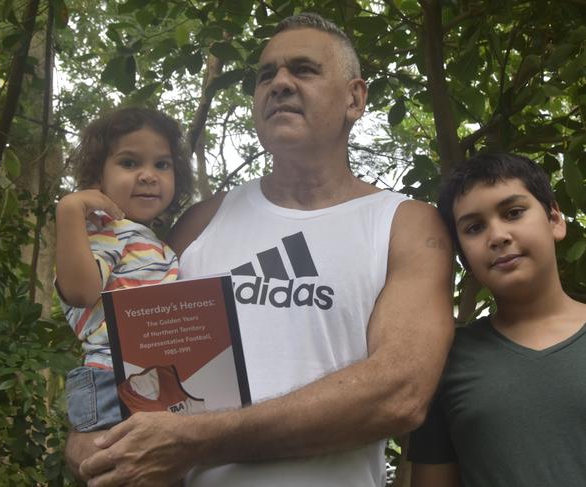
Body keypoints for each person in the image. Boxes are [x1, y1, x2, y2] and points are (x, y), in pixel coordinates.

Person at [69, 13, 454, 487]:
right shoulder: (200, 222)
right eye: (266, 75)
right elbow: (128, 353)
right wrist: (93, 439)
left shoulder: (406, 223)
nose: (280, 83)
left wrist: (200, 439)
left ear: (355, 98)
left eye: (304, 70)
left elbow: (399, 392)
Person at [408, 152, 586, 486]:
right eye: (474, 227)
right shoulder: (445, 360)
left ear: (554, 220)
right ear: (463, 257)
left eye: (514, 212)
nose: (498, 236)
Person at [55, 107, 193, 455]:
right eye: (130, 163)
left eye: (162, 164)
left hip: (145, 377)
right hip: (110, 379)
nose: (148, 175)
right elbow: (80, 292)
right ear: (98, 177)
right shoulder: (104, 229)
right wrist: (70, 210)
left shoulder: (150, 241)